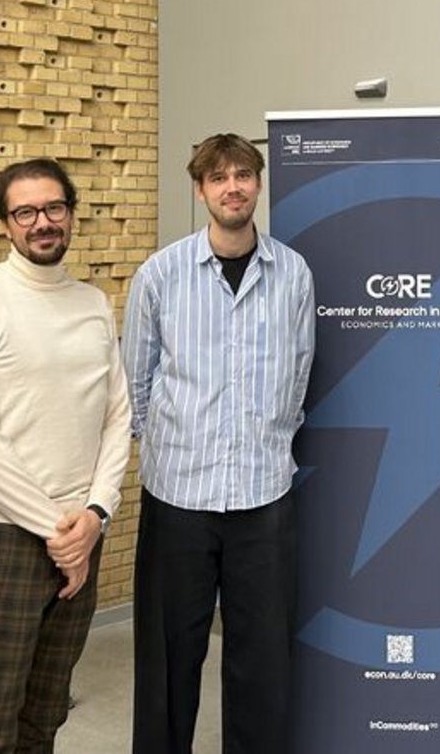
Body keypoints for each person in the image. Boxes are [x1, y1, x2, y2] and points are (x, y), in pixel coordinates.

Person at [123, 133, 314, 754]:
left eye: (243, 175)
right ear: (201, 190)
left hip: (263, 494)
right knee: (168, 657)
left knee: (262, 661)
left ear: (258, 183)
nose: (233, 188)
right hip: (178, 496)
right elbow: (136, 381)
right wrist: (172, 445)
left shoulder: (293, 274)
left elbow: (300, 370)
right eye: (218, 178)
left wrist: (268, 435)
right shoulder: (161, 274)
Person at [0, 159, 132, 753]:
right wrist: (59, 533)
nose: (42, 222)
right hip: (1, 537)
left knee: (45, 712)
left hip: (81, 533)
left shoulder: (92, 303)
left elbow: (117, 416)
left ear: (71, 214)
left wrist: (96, 513)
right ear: (6, 224)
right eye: (25, 212)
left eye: (54, 208)